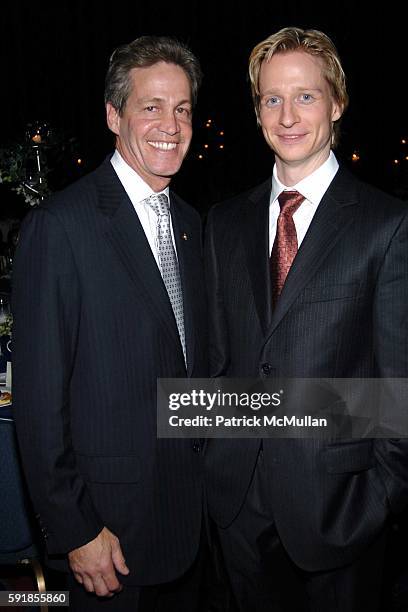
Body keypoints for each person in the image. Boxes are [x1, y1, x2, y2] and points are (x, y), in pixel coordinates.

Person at [204, 27, 408, 611]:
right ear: (257, 110)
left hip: (341, 512)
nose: (287, 116)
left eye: (306, 96)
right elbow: (219, 363)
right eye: (272, 98)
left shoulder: (385, 225)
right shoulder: (225, 222)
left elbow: (397, 384)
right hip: (237, 507)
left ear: (337, 103)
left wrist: (381, 498)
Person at [13, 35, 207, 611]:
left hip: (190, 529)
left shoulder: (194, 225)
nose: (169, 123)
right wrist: (74, 530)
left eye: (182, 109)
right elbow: (39, 403)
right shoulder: (61, 227)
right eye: (151, 106)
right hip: (109, 538)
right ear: (113, 115)